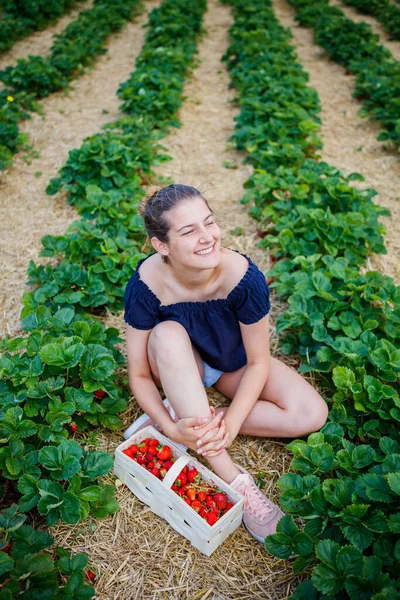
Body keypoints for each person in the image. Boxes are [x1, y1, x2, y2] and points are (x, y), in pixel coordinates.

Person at [123, 184, 328, 543]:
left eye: (209, 223)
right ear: (162, 245)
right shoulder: (145, 284)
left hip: (232, 366)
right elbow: (139, 374)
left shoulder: (244, 279)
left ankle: (187, 412)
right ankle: (235, 481)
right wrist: (172, 434)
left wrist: (230, 421)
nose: (207, 238)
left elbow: (259, 362)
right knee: (167, 334)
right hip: (177, 360)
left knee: (311, 414)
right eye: (189, 231)